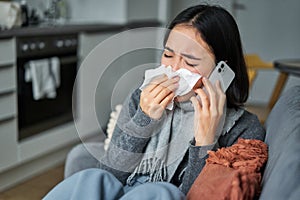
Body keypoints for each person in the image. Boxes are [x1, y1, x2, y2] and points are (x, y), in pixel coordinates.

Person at [44, 4, 265, 200]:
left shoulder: (244, 128)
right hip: (123, 189)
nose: (174, 70)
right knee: (93, 178)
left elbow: (194, 195)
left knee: (161, 192)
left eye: (190, 61)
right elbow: (111, 173)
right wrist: (144, 118)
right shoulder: (142, 96)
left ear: (221, 69)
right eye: (168, 55)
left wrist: (206, 141)